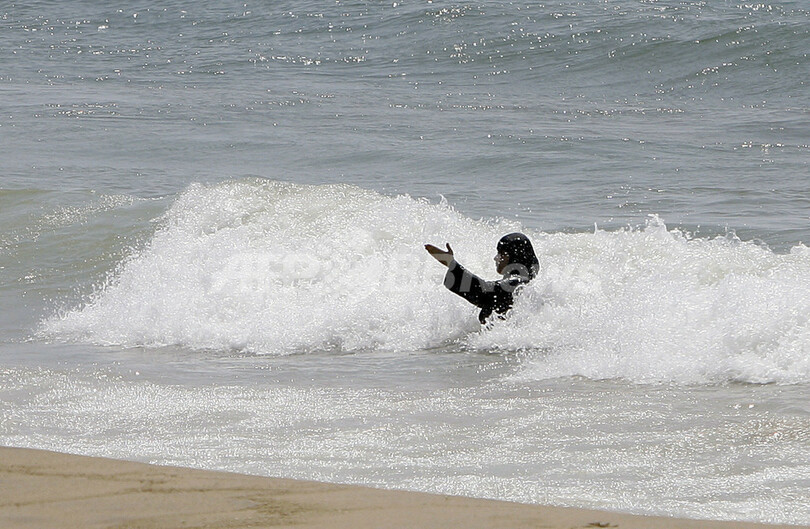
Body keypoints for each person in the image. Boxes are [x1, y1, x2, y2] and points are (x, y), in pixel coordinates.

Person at [425, 232, 539, 324]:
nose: (496, 258)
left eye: (501, 253)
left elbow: (483, 292)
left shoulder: (517, 283)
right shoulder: (523, 283)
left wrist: (450, 263)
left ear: (513, 256)